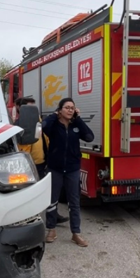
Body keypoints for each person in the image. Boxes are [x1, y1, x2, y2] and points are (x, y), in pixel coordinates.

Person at [41, 97, 94, 247]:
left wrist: (78, 120)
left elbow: (90, 137)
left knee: (74, 201)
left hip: (72, 169)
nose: (70, 110)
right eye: (67, 107)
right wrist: (54, 114)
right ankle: (51, 229)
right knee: (52, 200)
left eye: (72, 108)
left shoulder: (75, 126)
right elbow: (44, 127)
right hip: (55, 168)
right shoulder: (53, 125)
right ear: (60, 110)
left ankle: (76, 233)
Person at [14, 96, 68, 224]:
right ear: (20, 109)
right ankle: (28, 219)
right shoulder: (18, 126)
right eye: (30, 109)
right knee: (29, 194)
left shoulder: (40, 123)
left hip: (43, 163)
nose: (34, 112)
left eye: (35, 108)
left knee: (48, 191)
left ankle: (53, 216)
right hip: (28, 165)